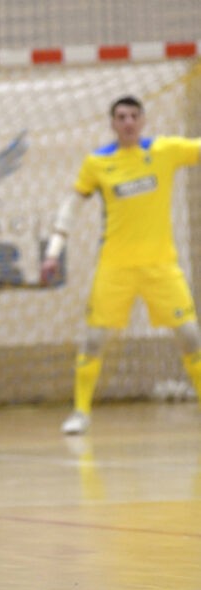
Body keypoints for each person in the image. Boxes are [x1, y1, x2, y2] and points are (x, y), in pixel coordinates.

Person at [42, 95, 201, 435]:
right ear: (112, 123)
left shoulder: (165, 150)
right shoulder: (98, 162)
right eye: (121, 117)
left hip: (161, 267)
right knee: (93, 340)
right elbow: (72, 205)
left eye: (133, 116)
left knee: (191, 336)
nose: (128, 122)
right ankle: (80, 412)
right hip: (115, 268)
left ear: (143, 120)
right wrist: (54, 251)